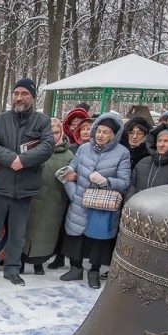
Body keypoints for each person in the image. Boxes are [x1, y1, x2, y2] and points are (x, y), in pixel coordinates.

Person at [0, 78, 54, 286]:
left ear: (33, 97)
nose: (19, 97)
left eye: (24, 94)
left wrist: (24, 161)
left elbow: (47, 146)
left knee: (17, 233)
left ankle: (12, 268)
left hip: (24, 188)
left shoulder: (42, 122)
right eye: (16, 93)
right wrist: (13, 159)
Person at [59, 113, 131, 289]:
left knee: (98, 239)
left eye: (105, 132)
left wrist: (106, 181)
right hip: (79, 199)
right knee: (75, 235)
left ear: (114, 135)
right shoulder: (84, 149)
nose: (100, 135)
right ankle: (75, 268)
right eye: (98, 131)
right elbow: (72, 169)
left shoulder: (122, 153)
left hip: (102, 204)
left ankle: (94, 272)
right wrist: (71, 181)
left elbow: (124, 182)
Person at [23, 118, 73, 275]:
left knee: (45, 234)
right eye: (49, 133)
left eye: (56, 132)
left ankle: (39, 263)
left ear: (61, 133)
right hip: (31, 198)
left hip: (54, 201)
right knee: (25, 231)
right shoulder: (34, 149)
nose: (53, 136)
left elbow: (71, 179)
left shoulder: (68, 155)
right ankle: (21, 261)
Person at [127, 125, 168, 199]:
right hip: (138, 204)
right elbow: (132, 186)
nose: (161, 145)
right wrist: (129, 202)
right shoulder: (143, 162)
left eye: (166, 141)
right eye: (159, 141)